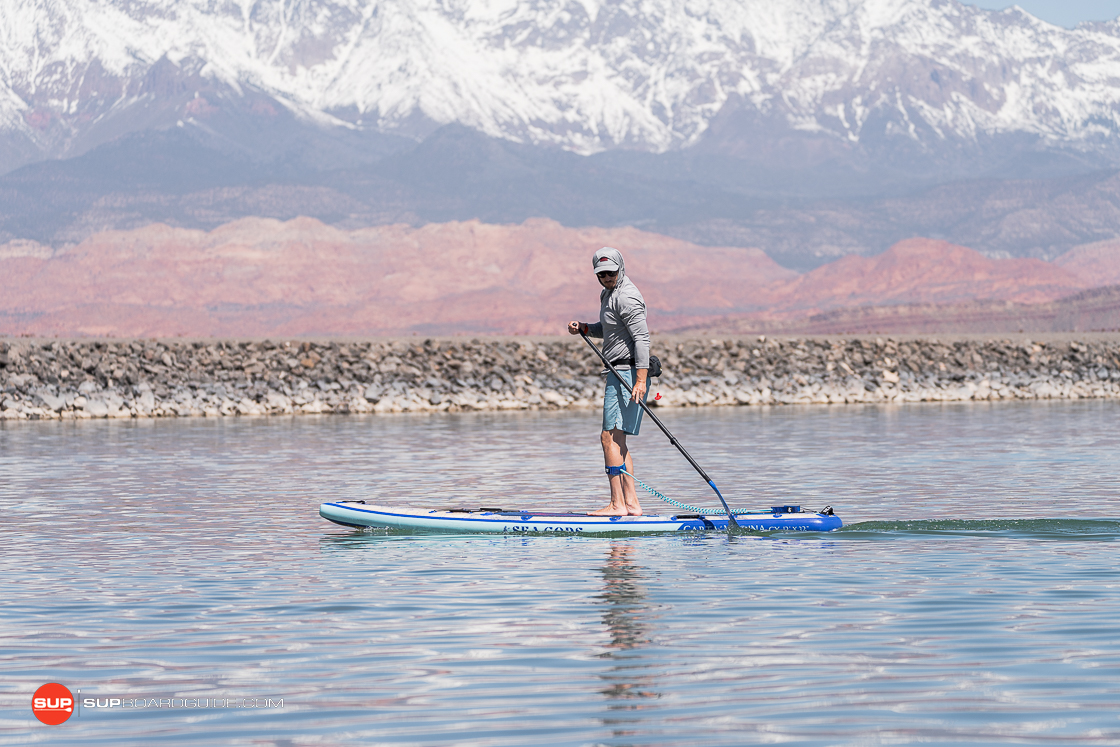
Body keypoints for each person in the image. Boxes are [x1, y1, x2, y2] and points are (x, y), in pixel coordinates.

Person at [567, 247, 650, 516]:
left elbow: (641, 339)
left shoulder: (626, 297)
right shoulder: (608, 294)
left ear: (620, 269)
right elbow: (610, 327)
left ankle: (617, 505)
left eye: (610, 273)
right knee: (619, 440)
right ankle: (632, 504)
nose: (606, 277)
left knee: (608, 438)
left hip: (626, 374)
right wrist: (586, 327)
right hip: (618, 372)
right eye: (601, 274)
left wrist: (640, 381)